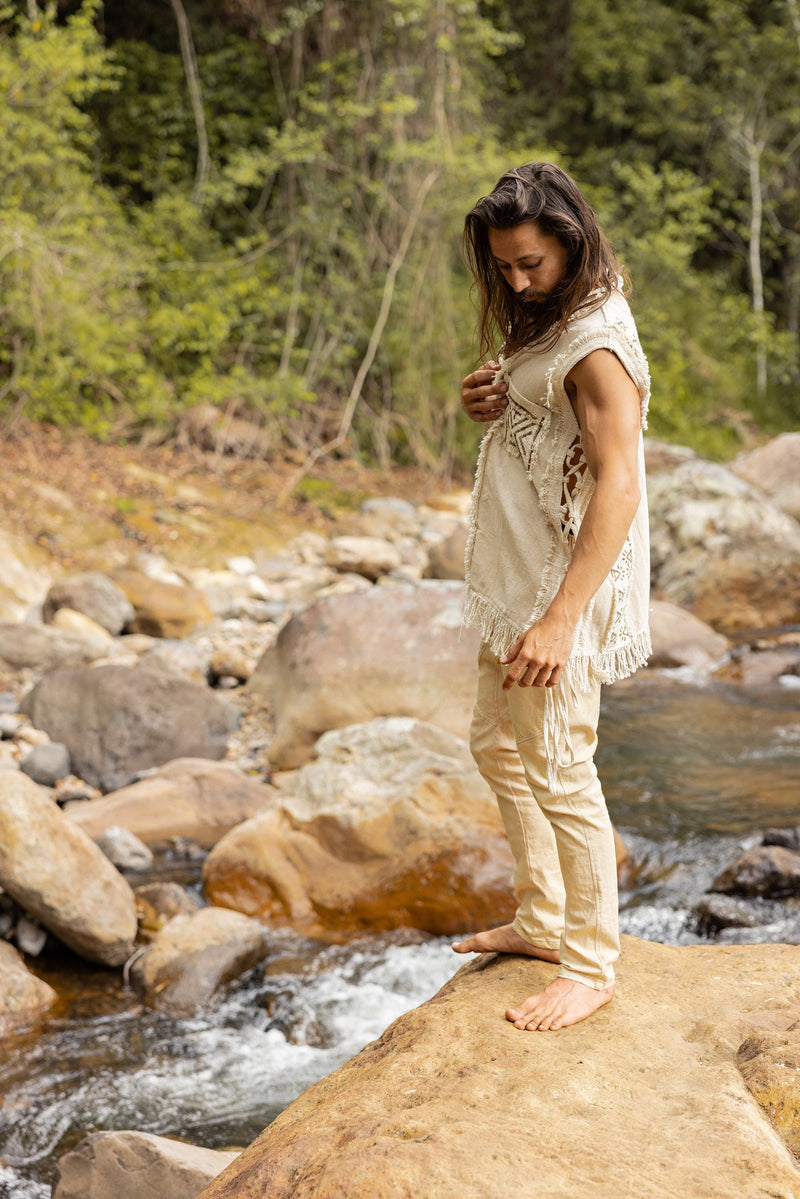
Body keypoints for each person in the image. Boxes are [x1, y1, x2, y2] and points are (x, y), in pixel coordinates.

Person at [452, 162, 651, 1032]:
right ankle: (542, 919)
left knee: (561, 764)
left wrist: (562, 619)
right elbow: (541, 413)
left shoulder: (597, 341)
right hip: (519, 576)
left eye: (531, 262)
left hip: (560, 588)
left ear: (571, 241)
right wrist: (486, 396)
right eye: (503, 265)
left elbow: (619, 485)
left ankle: (591, 961)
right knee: (496, 744)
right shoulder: (551, 315)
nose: (516, 279)